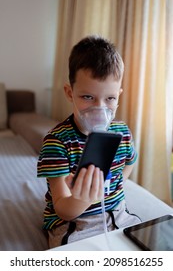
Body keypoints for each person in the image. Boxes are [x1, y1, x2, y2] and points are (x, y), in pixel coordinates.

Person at [37, 35, 141, 249]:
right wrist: (86, 196)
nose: (99, 108)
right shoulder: (57, 142)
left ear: (119, 95)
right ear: (70, 92)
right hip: (74, 223)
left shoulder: (121, 134)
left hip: (116, 214)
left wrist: (117, 182)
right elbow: (63, 209)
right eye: (88, 97)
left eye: (110, 99)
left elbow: (130, 161)